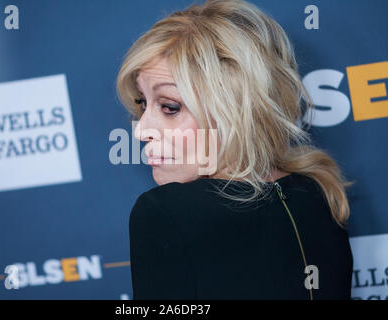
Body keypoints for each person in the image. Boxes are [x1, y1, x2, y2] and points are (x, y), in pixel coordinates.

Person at [116, 0, 354, 299]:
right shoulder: (320, 190)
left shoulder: (166, 212)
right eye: (142, 103)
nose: (141, 130)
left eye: (170, 107)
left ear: (237, 110)